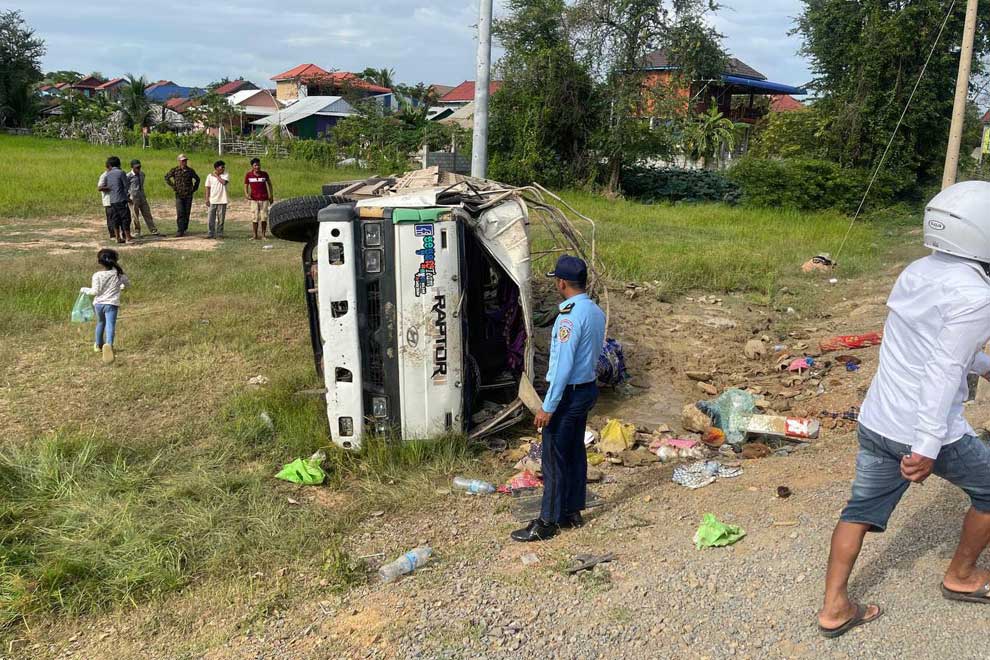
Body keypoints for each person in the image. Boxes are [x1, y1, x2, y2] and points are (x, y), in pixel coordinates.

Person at [817, 180, 990, 638]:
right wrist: (928, 446)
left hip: (878, 419)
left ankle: (834, 607)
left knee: (859, 509)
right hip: (926, 431)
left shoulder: (917, 270)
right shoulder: (977, 294)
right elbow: (943, 369)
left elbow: (932, 342)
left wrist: (986, 366)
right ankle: (962, 576)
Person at [512, 255, 606, 542]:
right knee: (575, 452)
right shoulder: (594, 312)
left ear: (562, 282)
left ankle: (547, 521)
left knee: (553, 457)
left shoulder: (568, 317)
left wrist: (547, 407)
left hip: (568, 393)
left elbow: (562, 367)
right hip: (587, 389)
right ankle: (571, 511)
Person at [80, 248, 129, 365]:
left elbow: (95, 291)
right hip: (112, 304)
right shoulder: (119, 274)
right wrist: (121, 286)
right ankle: (109, 345)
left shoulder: (97, 275)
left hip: (98, 304)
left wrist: (84, 289)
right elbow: (127, 284)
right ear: (115, 260)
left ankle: (98, 345)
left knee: (100, 323)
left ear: (100, 262)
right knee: (110, 325)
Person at [164, 154, 200, 237]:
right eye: (183, 161)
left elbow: (197, 179)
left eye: (185, 160)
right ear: (179, 161)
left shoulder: (190, 171)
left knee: (187, 213)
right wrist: (173, 186)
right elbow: (166, 177)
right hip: (179, 195)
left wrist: (194, 188)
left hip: (188, 195)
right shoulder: (175, 170)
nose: (184, 162)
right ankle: (180, 230)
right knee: (180, 212)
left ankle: (184, 228)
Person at [127, 159, 159, 237]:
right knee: (135, 215)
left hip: (142, 196)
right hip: (133, 198)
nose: (138, 169)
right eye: (136, 167)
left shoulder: (142, 174)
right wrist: (128, 196)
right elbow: (125, 187)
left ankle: (153, 229)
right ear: (132, 167)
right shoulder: (128, 176)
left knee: (147, 213)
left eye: (139, 167)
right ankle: (137, 231)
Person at [104, 156, 133, 244]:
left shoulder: (108, 174)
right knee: (125, 218)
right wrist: (127, 198)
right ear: (119, 164)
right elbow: (126, 186)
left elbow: (109, 186)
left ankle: (117, 238)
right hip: (121, 199)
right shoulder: (121, 172)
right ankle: (128, 238)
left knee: (115, 219)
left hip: (112, 200)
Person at [244, 158, 274, 240]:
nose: (257, 167)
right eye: (255, 165)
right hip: (254, 199)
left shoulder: (264, 174)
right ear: (252, 166)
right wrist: (246, 194)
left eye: (259, 165)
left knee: (264, 217)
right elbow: (246, 185)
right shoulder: (248, 175)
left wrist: (271, 196)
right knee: (255, 217)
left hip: (264, 199)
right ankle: (255, 235)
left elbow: (270, 184)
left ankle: (263, 235)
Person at [205, 160, 230, 239]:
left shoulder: (225, 175)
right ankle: (210, 233)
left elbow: (224, 182)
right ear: (216, 168)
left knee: (221, 218)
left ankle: (220, 233)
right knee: (210, 218)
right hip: (213, 200)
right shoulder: (209, 176)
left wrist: (216, 176)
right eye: (222, 167)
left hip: (222, 200)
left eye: (223, 167)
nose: (223, 168)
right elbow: (207, 188)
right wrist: (207, 199)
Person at [97, 163, 113, 240]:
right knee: (110, 218)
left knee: (116, 218)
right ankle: (112, 235)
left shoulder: (114, 175)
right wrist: (110, 188)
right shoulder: (104, 175)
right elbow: (99, 188)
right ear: (109, 167)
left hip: (115, 199)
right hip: (108, 200)